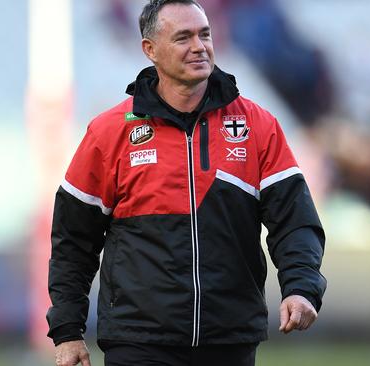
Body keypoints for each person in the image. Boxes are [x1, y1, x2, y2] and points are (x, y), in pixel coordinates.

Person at [47, 1, 327, 365]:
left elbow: (295, 221)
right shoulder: (109, 132)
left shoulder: (258, 126)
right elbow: (73, 241)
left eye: (204, 34)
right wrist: (68, 332)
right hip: (138, 343)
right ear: (150, 50)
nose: (199, 46)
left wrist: (301, 288)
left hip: (229, 340)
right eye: (183, 37)